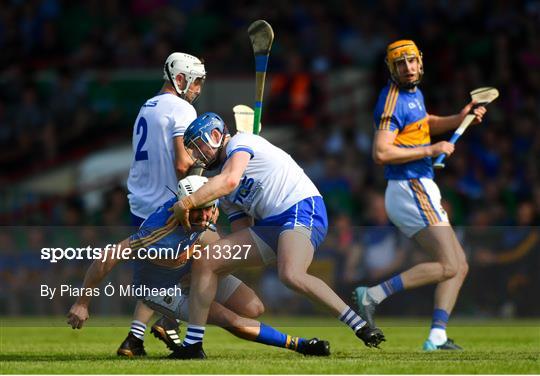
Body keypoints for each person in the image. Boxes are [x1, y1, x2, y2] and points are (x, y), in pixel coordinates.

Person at [168, 112, 385, 359]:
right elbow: (242, 232)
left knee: (291, 274)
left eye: (199, 147)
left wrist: (188, 203)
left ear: (216, 136)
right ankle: (193, 345)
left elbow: (229, 181)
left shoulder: (240, 143)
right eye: (193, 151)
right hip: (270, 226)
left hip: (301, 206)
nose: (197, 156)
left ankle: (359, 324)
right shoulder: (224, 191)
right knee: (207, 260)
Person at [67, 176, 330, 358]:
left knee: (254, 307)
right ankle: (300, 345)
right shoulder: (159, 231)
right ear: (184, 208)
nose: (205, 216)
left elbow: (217, 247)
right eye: (199, 211)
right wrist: (82, 303)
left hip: (188, 272)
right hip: (159, 289)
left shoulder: (205, 213)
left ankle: (169, 320)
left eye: (209, 210)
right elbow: (107, 257)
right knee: (232, 322)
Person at [352, 40, 487, 351]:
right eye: (401, 64)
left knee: (459, 264)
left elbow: (426, 123)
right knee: (450, 264)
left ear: (420, 62)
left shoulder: (414, 94)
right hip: (409, 186)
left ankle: (437, 336)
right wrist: (432, 149)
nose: (408, 68)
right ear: (392, 68)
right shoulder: (392, 99)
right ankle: (372, 296)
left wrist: (460, 118)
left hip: (420, 185)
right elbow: (381, 152)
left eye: (412, 61)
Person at [122, 52, 206, 356]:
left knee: (166, 275)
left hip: (140, 202)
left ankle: (141, 335)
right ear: (180, 79)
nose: (198, 88)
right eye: (196, 81)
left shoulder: (147, 106)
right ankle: (168, 324)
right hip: (167, 205)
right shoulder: (182, 109)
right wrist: (211, 157)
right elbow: (183, 163)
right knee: (211, 260)